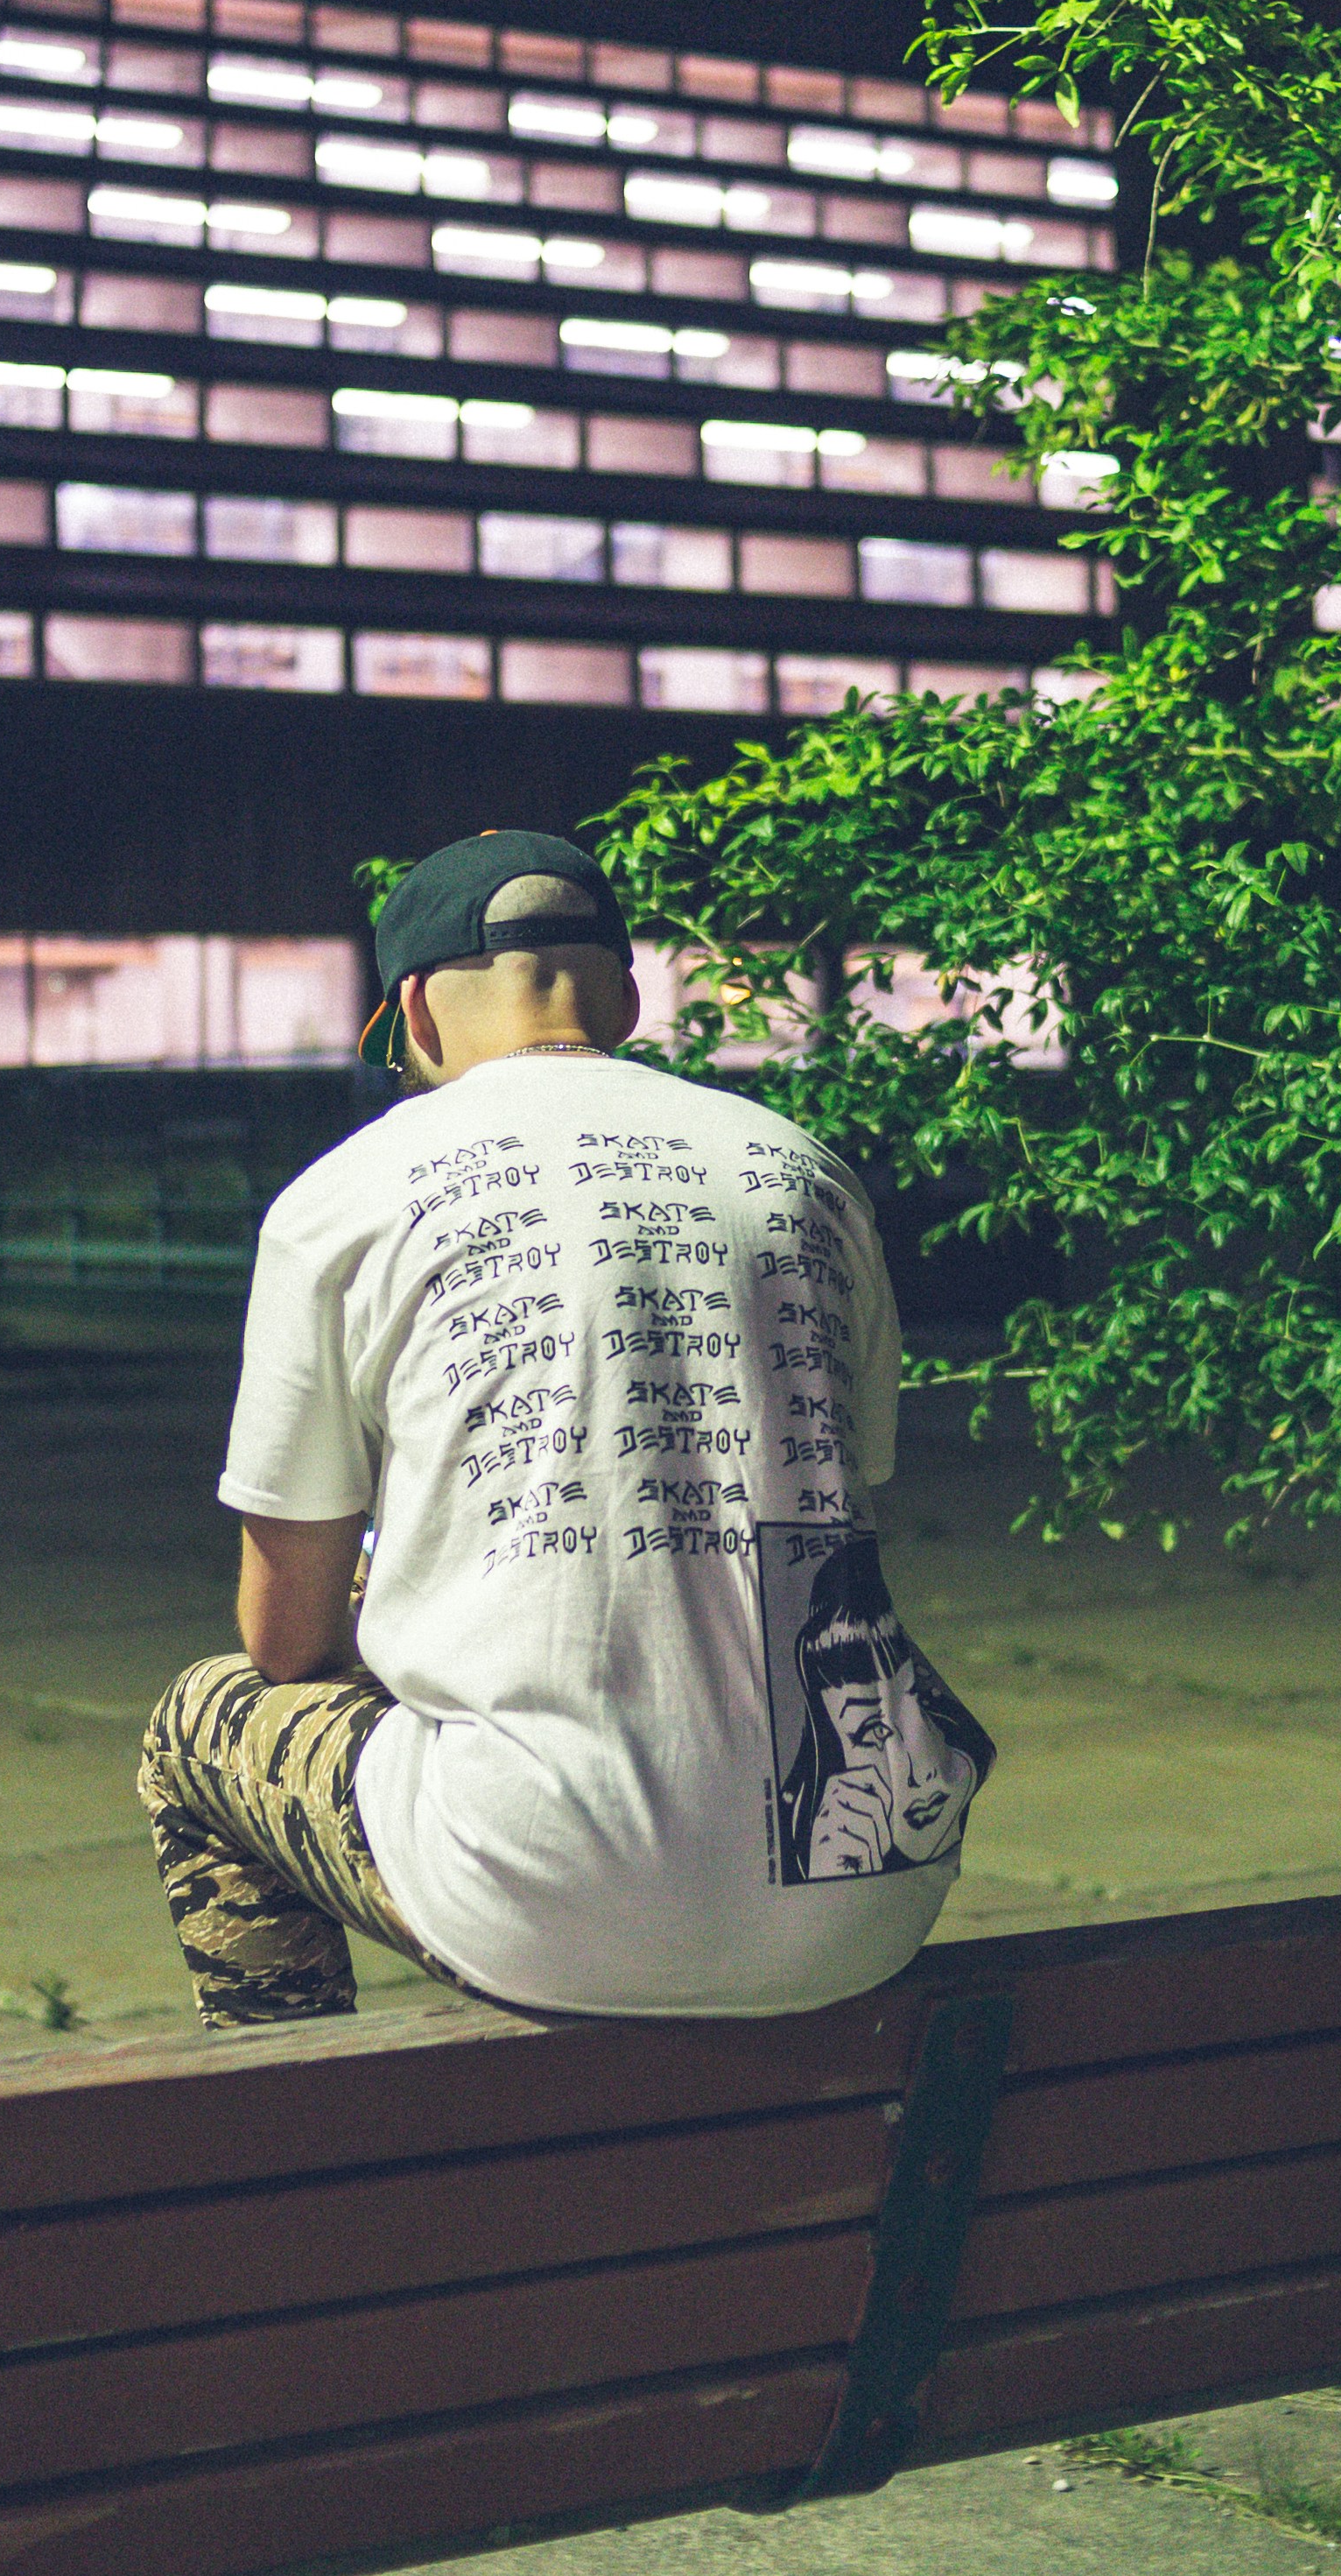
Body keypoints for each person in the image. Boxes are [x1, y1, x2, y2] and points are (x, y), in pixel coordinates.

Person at [139, 826, 994, 2023]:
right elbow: (822, 1514)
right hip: (866, 1881)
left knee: (201, 1725)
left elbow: (284, 1645)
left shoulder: (342, 1199)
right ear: (629, 1000)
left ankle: (286, 2135)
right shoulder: (806, 1173)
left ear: (416, 1021)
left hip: (551, 1896)